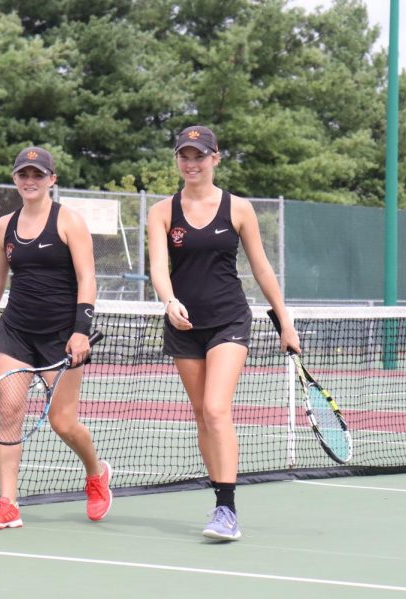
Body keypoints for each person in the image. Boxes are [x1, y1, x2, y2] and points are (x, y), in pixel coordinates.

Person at [147, 125, 301, 540]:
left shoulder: (239, 209)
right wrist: (168, 300)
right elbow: (159, 267)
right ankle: (219, 499)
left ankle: (226, 510)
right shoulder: (162, 211)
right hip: (183, 324)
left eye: (199, 155)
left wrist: (285, 321)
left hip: (230, 320)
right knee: (201, 414)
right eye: (184, 155)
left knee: (216, 409)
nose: (191, 163)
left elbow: (262, 267)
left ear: (216, 158)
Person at [0, 146, 112, 529]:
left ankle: (97, 473)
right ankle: (7, 504)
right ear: (15, 179)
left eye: (38, 174)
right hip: (15, 332)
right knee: (9, 411)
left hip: (61, 337)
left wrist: (81, 331)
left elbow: (87, 278)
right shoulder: (4, 226)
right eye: (23, 174)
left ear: (52, 179)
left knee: (63, 423)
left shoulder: (69, 221)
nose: (30, 181)